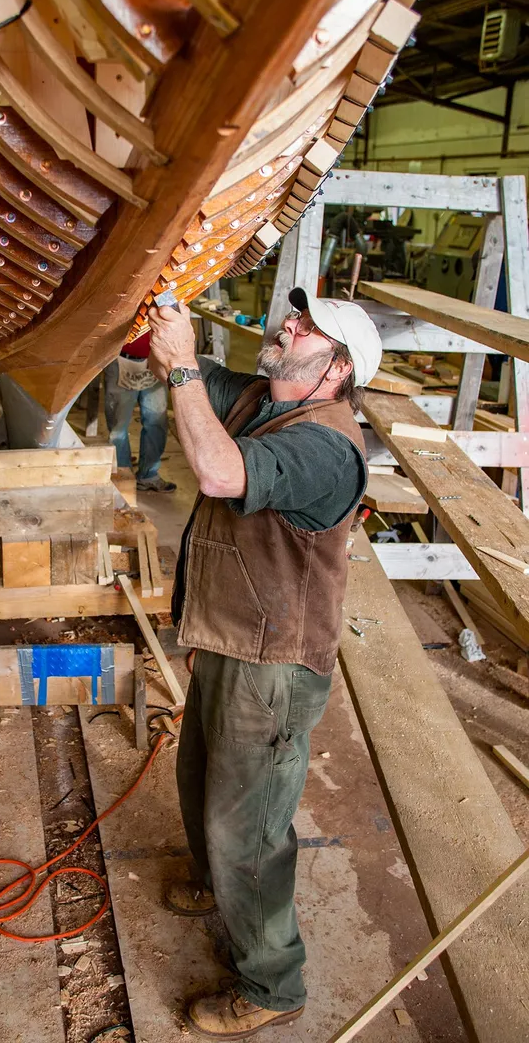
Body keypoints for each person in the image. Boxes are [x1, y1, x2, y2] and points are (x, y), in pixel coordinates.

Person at [146, 288, 382, 1039]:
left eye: (307, 327)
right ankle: (220, 889)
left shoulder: (326, 447)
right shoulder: (262, 396)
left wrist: (182, 366)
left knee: (248, 822)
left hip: (274, 661)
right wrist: (145, 326)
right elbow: (183, 375)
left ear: (336, 371)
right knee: (202, 778)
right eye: (295, 314)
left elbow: (220, 473)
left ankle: (273, 982)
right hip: (231, 634)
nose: (288, 322)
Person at [104, 330, 176, 492]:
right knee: (118, 426)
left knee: (156, 422)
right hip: (120, 360)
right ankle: (123, 476)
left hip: (155, 363)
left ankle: (148, 475)